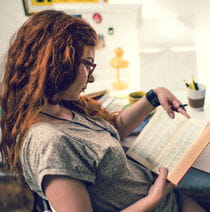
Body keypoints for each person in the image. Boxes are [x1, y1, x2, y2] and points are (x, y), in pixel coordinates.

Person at [0, 10, 205, 212]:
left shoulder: (60, 104)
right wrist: (153, 199)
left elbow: (111, 130)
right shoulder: (49, 143)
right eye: (88, 64)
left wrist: (152, 97)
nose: (91, 78)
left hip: (169, 198)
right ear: (58, 64)